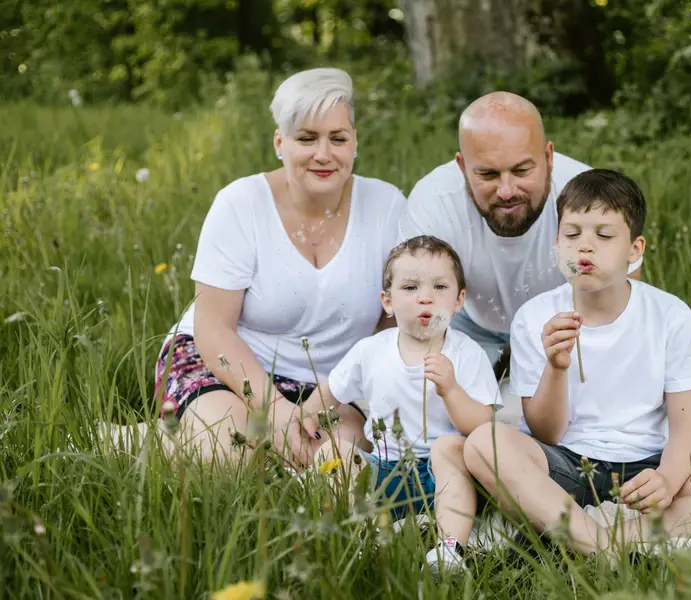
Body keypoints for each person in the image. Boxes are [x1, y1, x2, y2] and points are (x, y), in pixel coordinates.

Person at [462, 169, 691, 558]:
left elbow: (688, 426)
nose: (585, 248)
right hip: (565, 467)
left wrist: (666, 478)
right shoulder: (535, 317)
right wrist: (556, 368)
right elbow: (545, 433)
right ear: (557, 243)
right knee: (482, 443)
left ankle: (595, 538)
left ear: (635, 250)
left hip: (645, 467)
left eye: (605, 235)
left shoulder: (670, 316)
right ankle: (599, 541)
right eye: (572, 234)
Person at [153, 68, 406, 463]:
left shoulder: (387, 206)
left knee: (337, 464)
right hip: (225, 365)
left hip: (330, 387)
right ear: (279, 142)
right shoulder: (240, 204)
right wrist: (273, 407)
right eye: (307, 138)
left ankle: (181, 436)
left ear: (354, 141)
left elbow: (395, 324)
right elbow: (213, 328)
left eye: (338, 138)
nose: (324, 154)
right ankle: (152, 438)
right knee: (233, 458)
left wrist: (347, 396)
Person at [399, 91, 643, 375]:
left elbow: (620, 305)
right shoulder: (434, 200)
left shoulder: (591, 198)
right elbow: (416, 307)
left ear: (549, 157)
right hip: (468, 323)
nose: (507, 191)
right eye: (488, 174)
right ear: (462, 166)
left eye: (522, 170)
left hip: (565, 325)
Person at [304, 235, 501, 573]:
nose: (425, 297)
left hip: (444, 474)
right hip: (385, 469)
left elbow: (482, 425)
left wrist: (451, 390)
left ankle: (451, 547)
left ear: (458, 301)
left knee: (450, 447)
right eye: (410, 288)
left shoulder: (467, 354)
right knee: (335, 455)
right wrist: (308, 415)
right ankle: (359, 533)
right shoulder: (370, 351)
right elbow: (331, 392)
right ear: (388, 302)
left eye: (440, 287)